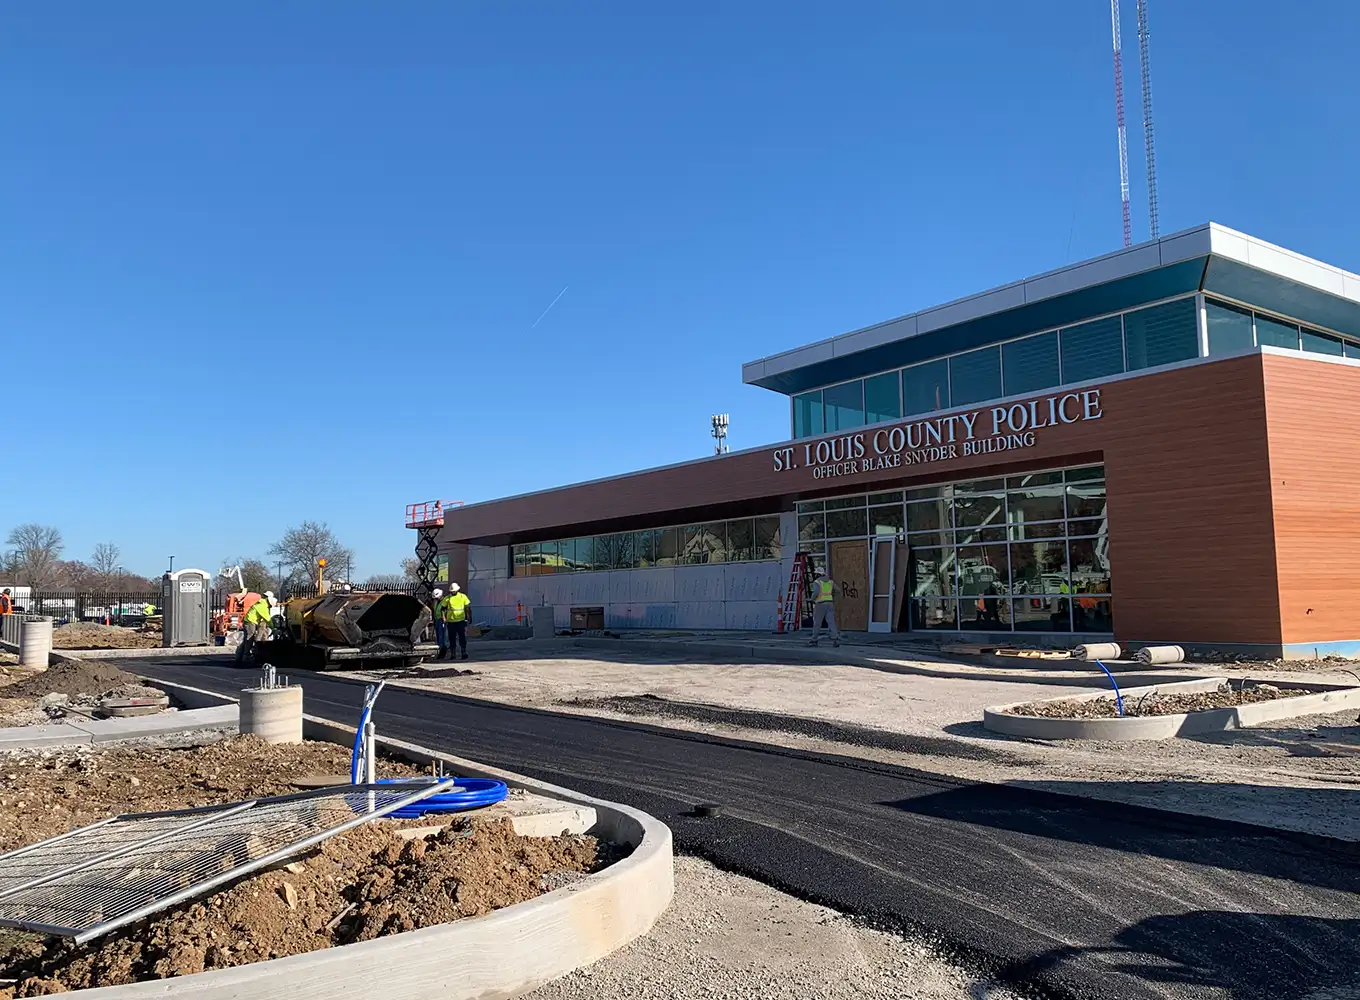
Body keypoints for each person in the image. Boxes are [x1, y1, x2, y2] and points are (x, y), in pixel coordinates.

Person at [436, 583, 472, 661]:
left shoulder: (463, 597)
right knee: (452, 639)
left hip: (461, 621)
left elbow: (468, 608)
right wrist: (444, 617)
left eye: (454, 591)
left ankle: (463, 652)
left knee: (462, 638)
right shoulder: (447, 598)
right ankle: (453, 654)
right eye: (452, 591)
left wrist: (469, 617)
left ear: (457, 590)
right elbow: (443, 608)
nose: (452, 592)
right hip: (451, 622)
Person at [237, 593, 273, 664]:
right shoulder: (263, 606)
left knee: (247, 639)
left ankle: (240, 656)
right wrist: (273, 628)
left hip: (250, 621)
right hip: (250, 621)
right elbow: (268, 619)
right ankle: (246, 656)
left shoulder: (261, 603)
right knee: (250, 638)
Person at [809, 567, 840, 647]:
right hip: (830, 603)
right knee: (831, 622)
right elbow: (838, 590)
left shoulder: (817, 582)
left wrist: (812, 599)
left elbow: (816, 593)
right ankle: (835, 639)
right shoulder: (830, 582)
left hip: (820, 604)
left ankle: (814, 640)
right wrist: (832, 596)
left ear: (817, 574)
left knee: (817, 623)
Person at [431, 588, 448, 658]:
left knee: (441, 636)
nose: (436, 598)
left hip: (442, 620)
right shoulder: (436, 602)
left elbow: (445, 610)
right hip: (437, 620)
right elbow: (434, 610)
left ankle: (442, 650)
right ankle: (440, 649)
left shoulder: (445, 601)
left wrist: (444, 618)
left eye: (436, 597)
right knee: (438, 636)